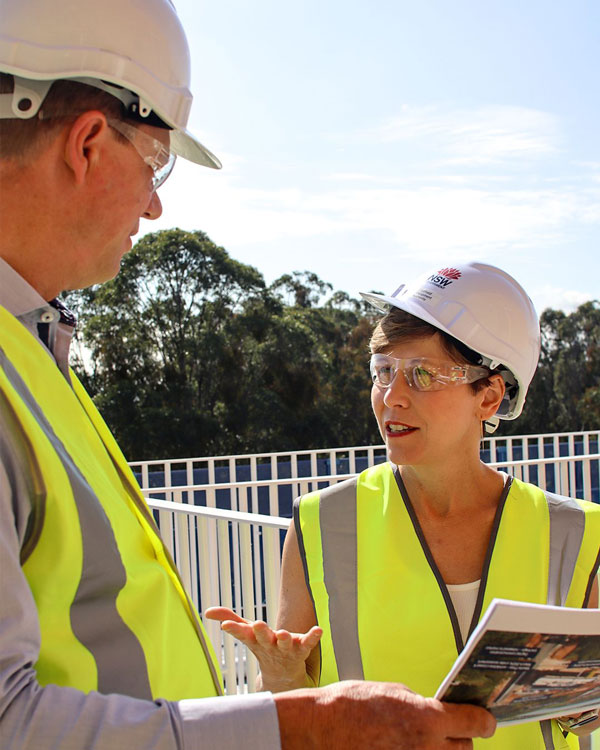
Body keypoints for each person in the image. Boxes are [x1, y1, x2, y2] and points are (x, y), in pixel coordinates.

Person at [0, 0, 499, 748]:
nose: (157, 203)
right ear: (90, 142)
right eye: (156, 161)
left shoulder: (31, 351)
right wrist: (302, 725)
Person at [207, 262, 600, 750]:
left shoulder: (578, 534)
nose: (392, 396)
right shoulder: (322, 524)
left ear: (490, 397)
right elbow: (297, 720)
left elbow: (585, 719)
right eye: (384, 371)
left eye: (422, 375)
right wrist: (282, 682)